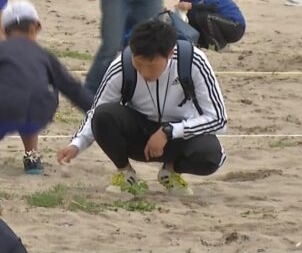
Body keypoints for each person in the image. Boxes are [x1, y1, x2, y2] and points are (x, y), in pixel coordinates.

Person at [57, 19, 228, 196]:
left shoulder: (193, 61)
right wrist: (76, 144)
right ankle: (125, 173)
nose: (144, 72)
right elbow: (96, 111)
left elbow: (219, 119)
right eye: (138, 64)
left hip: (179, 137)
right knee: (103, 115)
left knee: (211, 156)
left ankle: (170, 171)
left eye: (151, 65)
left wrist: (169, 131)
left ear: (170, 54)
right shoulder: (121, 66)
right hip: (139, 136)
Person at [0, 0, 94, 175]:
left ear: (4, 31)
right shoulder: (44, 55)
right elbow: (71, 86)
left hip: (5, 108)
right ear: (34, 27)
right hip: (42, 111)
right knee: (29, 111)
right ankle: (32, 157)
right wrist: (94, 109)